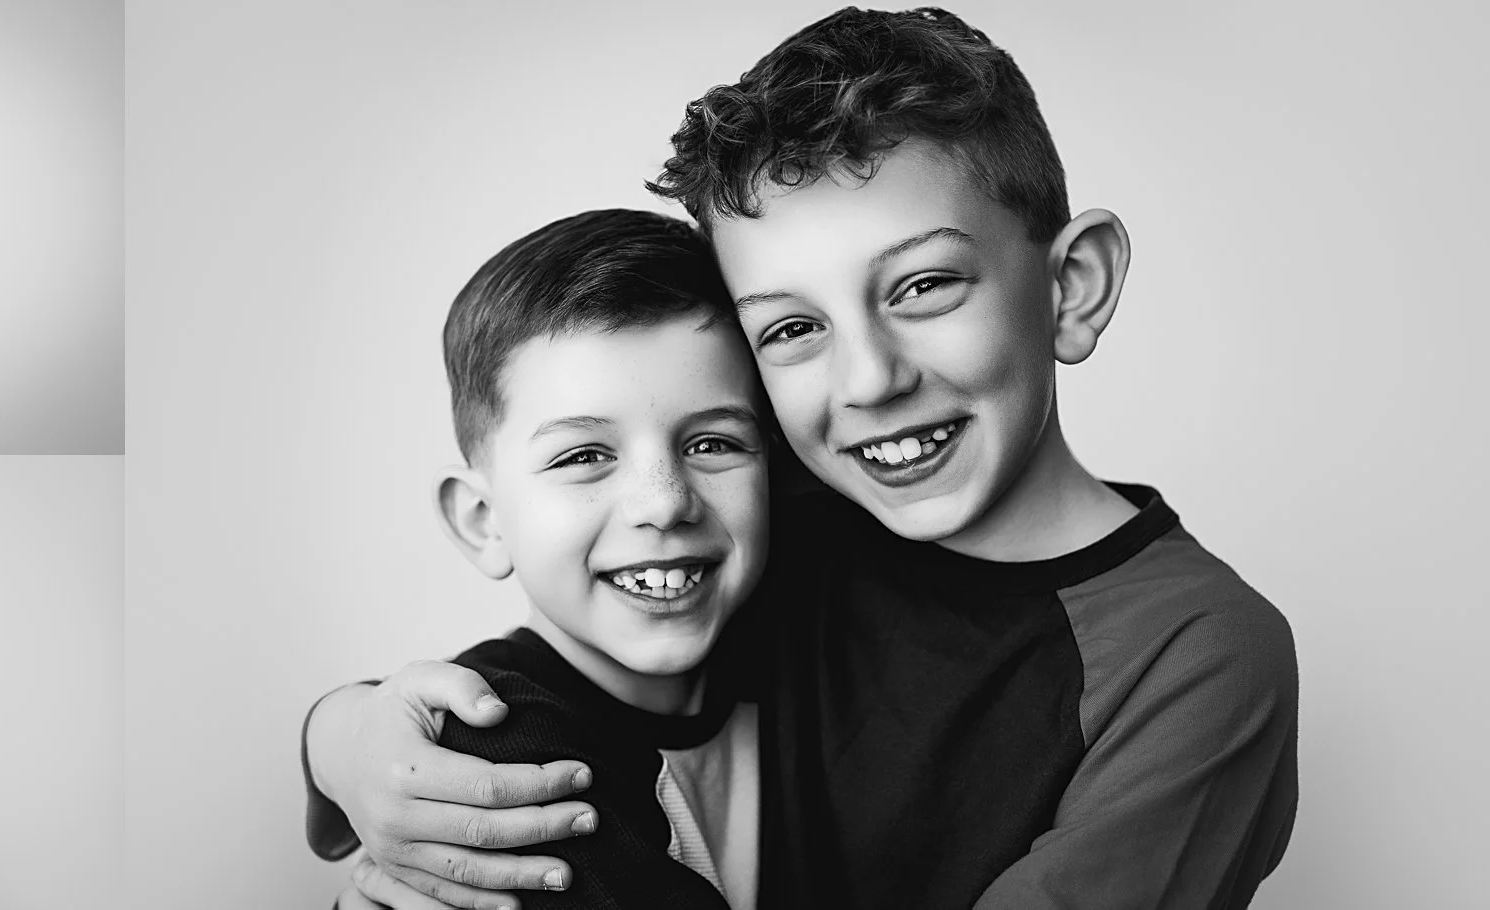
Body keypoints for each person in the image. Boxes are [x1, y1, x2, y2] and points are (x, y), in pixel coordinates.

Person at [304, 8, 1298, 909]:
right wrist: (345, 738)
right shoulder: (773, 513)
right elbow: (571, 672)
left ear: (1070, 286)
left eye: (921, 286)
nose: (866, 380)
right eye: (789, 329)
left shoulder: (1197, 653)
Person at [335, 208, 773, 907]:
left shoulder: (800, 647)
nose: (663, 503)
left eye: (713, 443)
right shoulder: (501, 751)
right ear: (483, 522)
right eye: (584, 456)